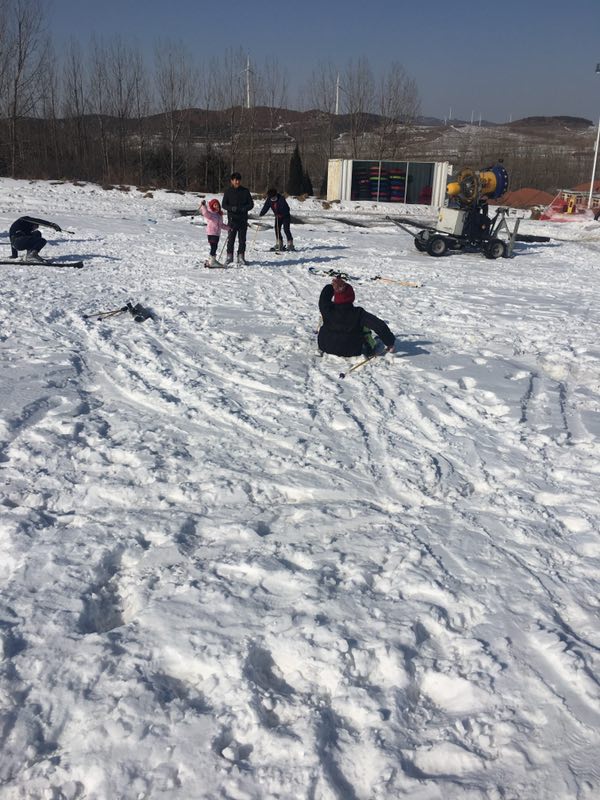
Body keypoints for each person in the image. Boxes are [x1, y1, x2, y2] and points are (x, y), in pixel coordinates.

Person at [318, 276, 395, 358]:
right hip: (351, 350)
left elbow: (324, 296)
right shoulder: (359, 313)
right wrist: (390, 342)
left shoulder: (327, 308)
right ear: (352, 297)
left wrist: (332, 286)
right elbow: (380, 326)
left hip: (326, 346)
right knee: (366, 331)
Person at [221, 172, 254, 266]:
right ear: (232, 181)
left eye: (238, 180)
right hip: (232, 219)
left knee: (242, 239)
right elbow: (224, 204)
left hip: (243, 219)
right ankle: (229, 256)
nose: (237, 181)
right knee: (231, 239)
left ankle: (241, 256)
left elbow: (251, 204)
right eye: (235, 180)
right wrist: (231, 208)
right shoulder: (228, 191)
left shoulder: (245, 191)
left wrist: (245, 208)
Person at [259, 187, 295, 252]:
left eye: (274, 197)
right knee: (277, 229)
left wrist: (281, 213)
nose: (272, 199)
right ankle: (279, 243)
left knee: (286, 229)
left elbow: (287, 208)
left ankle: (290, 244)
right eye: (271, 198)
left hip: (285, 216)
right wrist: (262, 213)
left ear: (276, 195)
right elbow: (266, 207)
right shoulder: (269, 200)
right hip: (278, 217)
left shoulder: (281, 198)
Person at [199, 198, 230, 267]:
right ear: (212, 206)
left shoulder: (219, 215)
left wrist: (228, 228)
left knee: (214, 247)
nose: (217, 207)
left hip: (217, 234)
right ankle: (212, 261)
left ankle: (211, 260)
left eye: (218, 205)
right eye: (215, 205)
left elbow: (221, 225)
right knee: (214, 247)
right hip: (211, 233)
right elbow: (205, 213)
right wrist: (203, 206)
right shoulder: (211, 214)